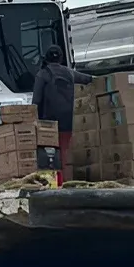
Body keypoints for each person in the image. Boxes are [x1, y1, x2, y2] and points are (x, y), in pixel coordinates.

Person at [32, 45, 93, 181]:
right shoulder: (69, 73)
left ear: (46, 58)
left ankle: (53, 183)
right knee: (65, 153)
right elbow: (89, 79)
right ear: (61, 58)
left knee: (49, 154)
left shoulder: (42, 74)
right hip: (67, 121)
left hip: (47, 123)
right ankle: (66, 182)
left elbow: (36, 100)